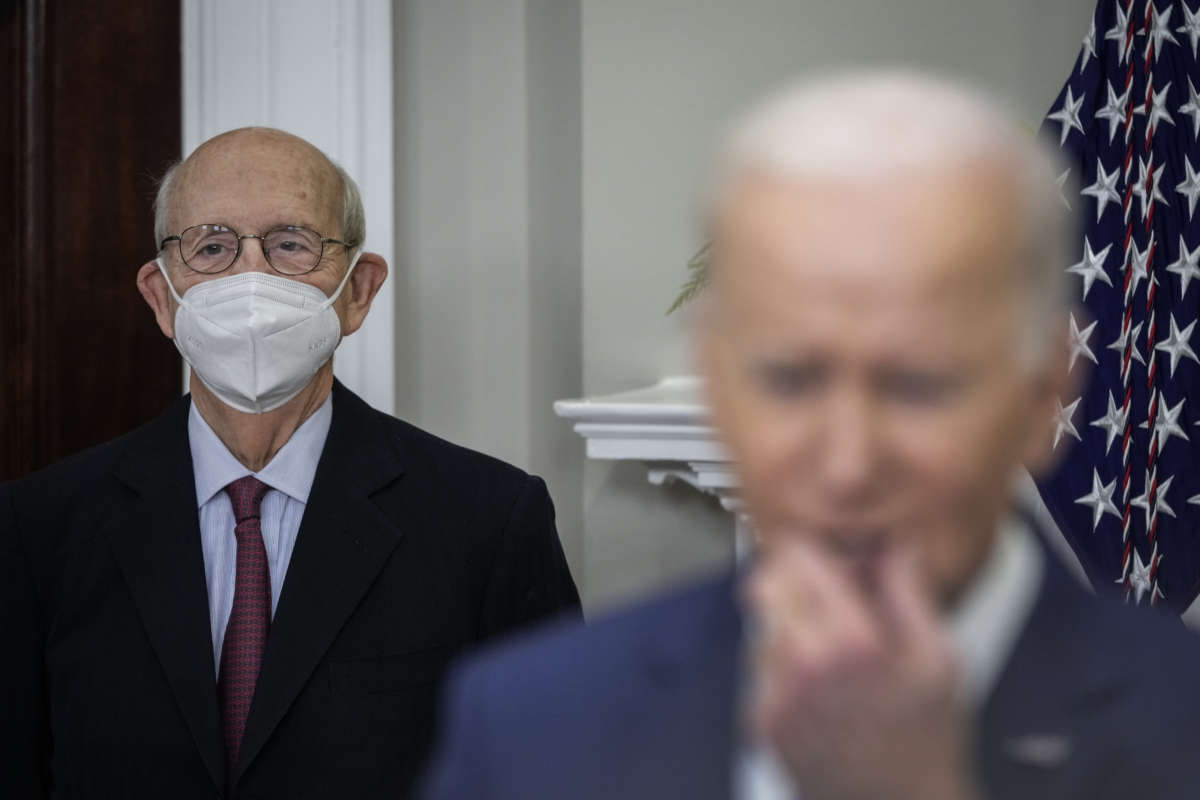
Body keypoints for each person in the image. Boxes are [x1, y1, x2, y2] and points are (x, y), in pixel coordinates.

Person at [420, 71, 1200, 800]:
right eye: (789, 379)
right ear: (718, 383)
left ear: (1043, 396)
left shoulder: (1182, 721)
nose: (850, 463)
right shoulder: (530, 721)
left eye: (921, 383)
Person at [0, 127, 580, 799]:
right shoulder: (37, 527)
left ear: (358, 291)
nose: (251, 279)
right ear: (162, 298)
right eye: (211, 247)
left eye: (291, 244)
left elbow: (553, 774)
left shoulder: (490, 523)